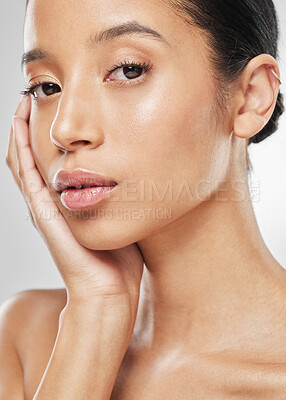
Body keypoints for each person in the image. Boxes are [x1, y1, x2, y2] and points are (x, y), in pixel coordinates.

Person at [1, 0, 286, 398]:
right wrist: (95, 315)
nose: (64, 130)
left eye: (128, 70)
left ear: (251, 95)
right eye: (46, 87)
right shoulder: (24, 339)